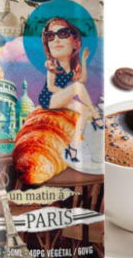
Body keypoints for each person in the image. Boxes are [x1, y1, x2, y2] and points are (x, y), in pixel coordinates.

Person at [37, 17, 102, 163]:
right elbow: (50, 87)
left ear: (75, 43)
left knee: (83, 111)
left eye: (63, 33)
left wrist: (83, 60)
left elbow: (82, 80)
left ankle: (72, 148)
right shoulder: (52, 63)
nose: (56, 40)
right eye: (50, 36)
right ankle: (97, 117)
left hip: (59, 97)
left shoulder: (71, 67)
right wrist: (69, 93)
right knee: (78, 88)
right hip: (48, 98)